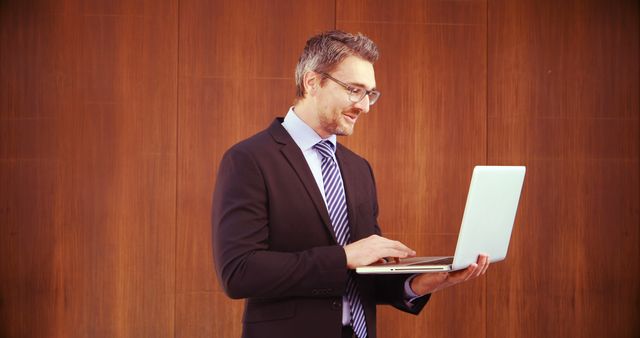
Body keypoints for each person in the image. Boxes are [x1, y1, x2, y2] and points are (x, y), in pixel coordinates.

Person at [212, 30, 490, 338]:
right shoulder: (249, 160)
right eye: (354, 90)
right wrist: (343, 257)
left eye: (370, 94)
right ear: (312, 82)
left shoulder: (358, 169)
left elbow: (365, 274)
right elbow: (239, 273)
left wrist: (425, 282)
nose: (365, 106)